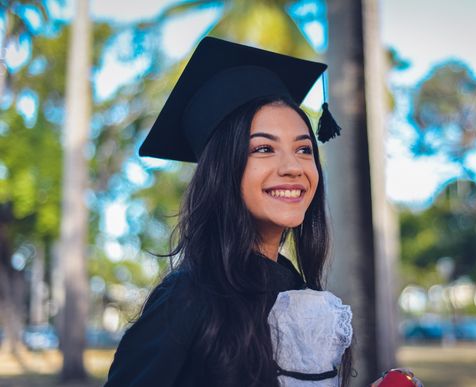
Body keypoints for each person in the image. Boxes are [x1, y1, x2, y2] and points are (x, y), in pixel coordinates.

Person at [104, 36, 353, 387]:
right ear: (223, 169)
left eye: (304, 149)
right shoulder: (188, 298)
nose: (293, 167)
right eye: (264, 148)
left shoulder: (297, 290)